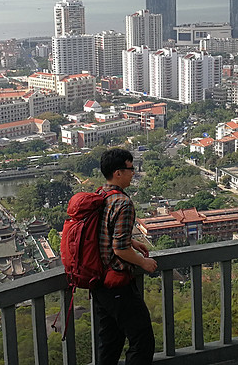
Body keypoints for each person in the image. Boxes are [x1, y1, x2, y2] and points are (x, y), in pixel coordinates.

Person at [92, 147, 157, 365]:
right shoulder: (123, 203)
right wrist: (143, 262)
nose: (133, 173)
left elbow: (104, 234)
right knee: (142, 340)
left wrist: (130, 241)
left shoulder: (100, 195)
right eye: (130, 169)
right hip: (117, 282)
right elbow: (119, 249)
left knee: (110, 342)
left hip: (99, 281)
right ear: (118, 173)